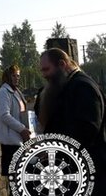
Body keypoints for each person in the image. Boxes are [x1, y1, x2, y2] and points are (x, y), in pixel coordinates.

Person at [37, 48, 106, 192]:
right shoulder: (66, 85)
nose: (44, 75)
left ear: (62, 64)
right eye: (42, 71)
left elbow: (87, 131)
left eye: (47, 69)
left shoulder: (83, 87)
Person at [0, 65, 29, 175]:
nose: (16, 78)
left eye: (18, 76)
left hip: (19, 141)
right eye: (13, 75)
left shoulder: (17, 92)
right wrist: (22, 129)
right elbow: (4, 115)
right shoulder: (3, 92)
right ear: (7, 77)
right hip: (10, 143)